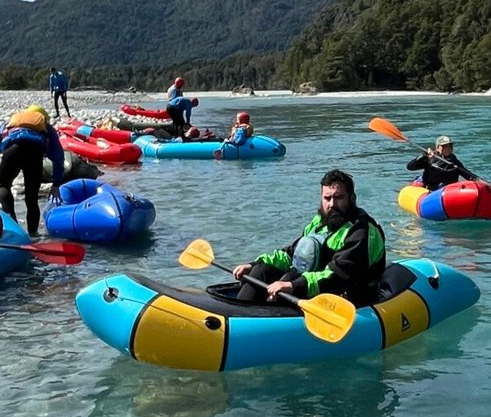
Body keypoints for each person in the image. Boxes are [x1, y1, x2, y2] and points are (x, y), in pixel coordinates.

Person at [232, 169, 385, 308]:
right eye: (327, 198)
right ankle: (238, 312)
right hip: (317, 285)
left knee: (291, 277)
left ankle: (262, 324)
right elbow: (292, 254)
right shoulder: (320, 222)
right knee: (261, 271)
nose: (332, 204)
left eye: (339, 198)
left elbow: (338, 277)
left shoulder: (362, 232)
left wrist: (294, 285)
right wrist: (254, 264)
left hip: (347, 294)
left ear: (352, 198)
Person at [0, 104, 67, 234]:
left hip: (13, 150)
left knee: (4, 186)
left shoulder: (10, 124)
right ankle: (33, 235)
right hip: (35, 152)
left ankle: (13, 226)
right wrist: (56, 183)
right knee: (31, 198)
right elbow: (58, 156)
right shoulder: (46, 127)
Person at [405, 134, 473, 191]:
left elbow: (467, 175)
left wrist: (477, 181)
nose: (448, 149)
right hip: (432, 190)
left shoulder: (454, 161)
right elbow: (410, 167)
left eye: (449, 146)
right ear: (437, 148)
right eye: (444, 146)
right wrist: (423, 155)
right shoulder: (429, 158)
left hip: (449, 191)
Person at [164, 75, 196, 140]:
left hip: (171, 106)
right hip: (173, 107)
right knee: (180, 122)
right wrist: (188, 122)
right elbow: (188, 114)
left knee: (176, 122)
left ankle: (175, 135)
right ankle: (181, 136)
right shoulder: (174, 90)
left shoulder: (174, 89)